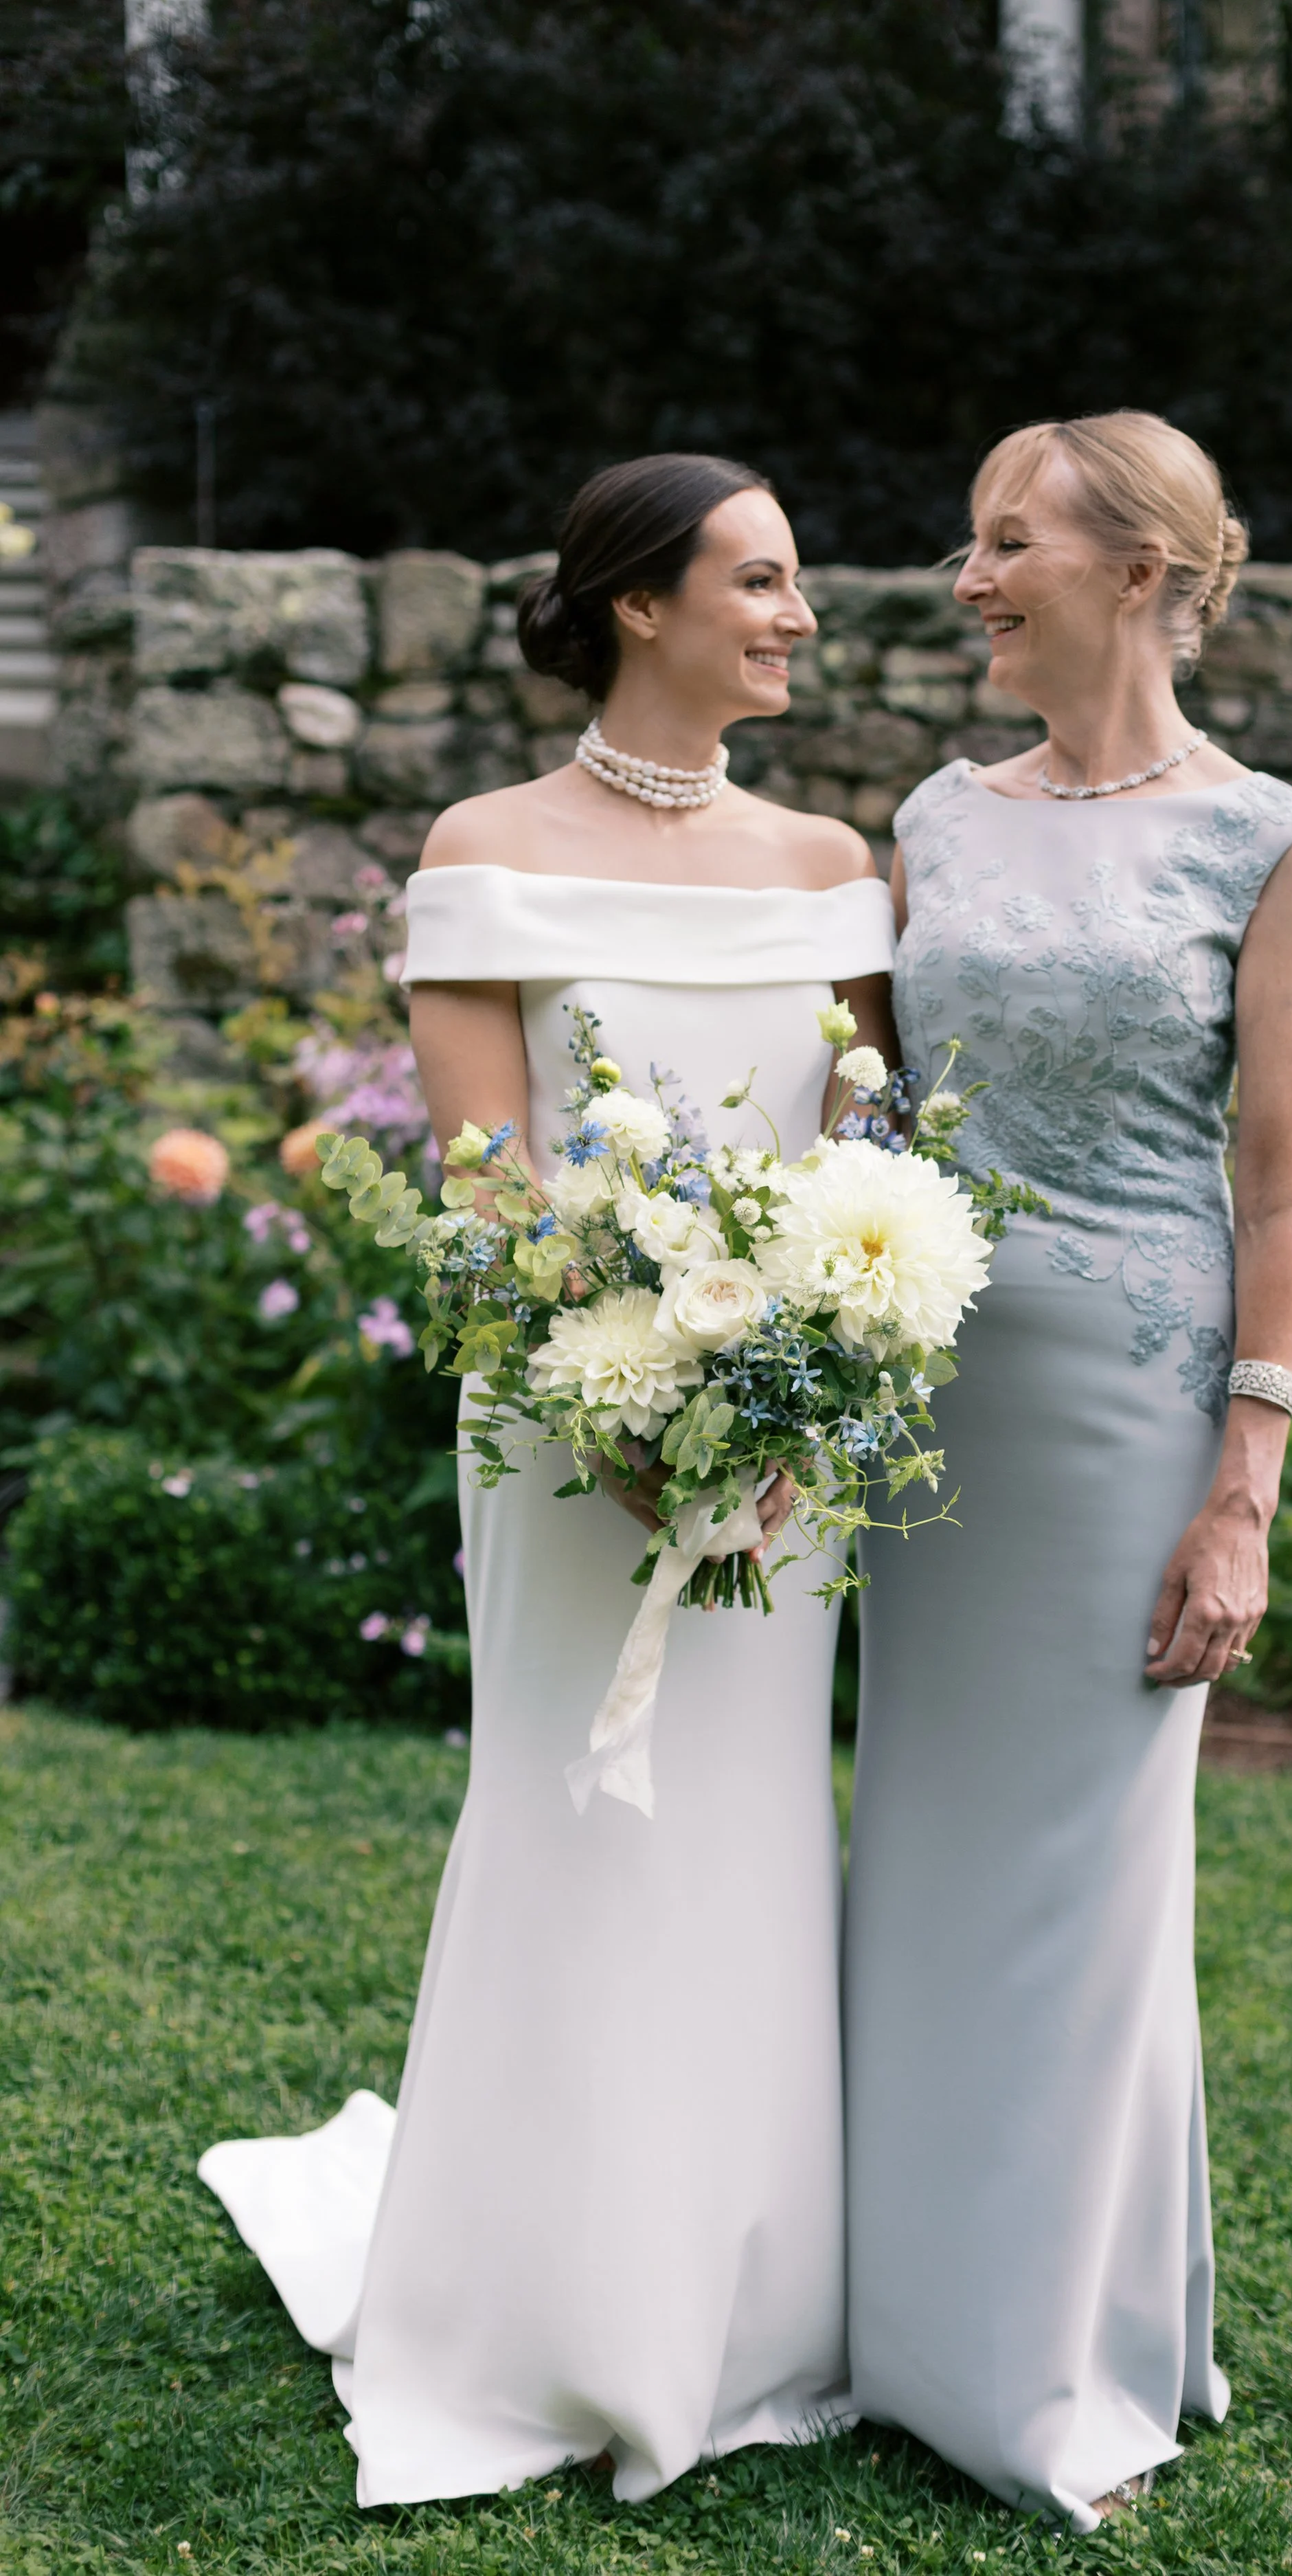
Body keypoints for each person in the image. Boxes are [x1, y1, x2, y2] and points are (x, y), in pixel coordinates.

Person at [199, 453, 896, 2507]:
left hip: (787, 1458)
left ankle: (750, 2293)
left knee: (750, 1821)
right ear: (636, 604)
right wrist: (603, 1409)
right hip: (557, 1422)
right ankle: (536, 2300)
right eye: (760, 584)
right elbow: (486, 1182)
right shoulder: (483, 848)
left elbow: (870, 1152)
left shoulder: (826, 860)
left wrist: (803, 1399)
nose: (797, 617)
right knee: (577, 1808)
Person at [844, 412, 1292, 2529]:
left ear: (1137, 566)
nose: (967, 575)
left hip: (1134, 1404)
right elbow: (865, 1110)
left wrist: (1243, 1478)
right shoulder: (931, 818)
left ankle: (1050, 2351)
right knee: (924, 1846)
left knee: (1092, 1874)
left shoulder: (1267, 840)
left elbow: (1287, 1178)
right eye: (967, 539)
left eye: (1004, 539)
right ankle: (889, 2310)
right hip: (927, 1390)